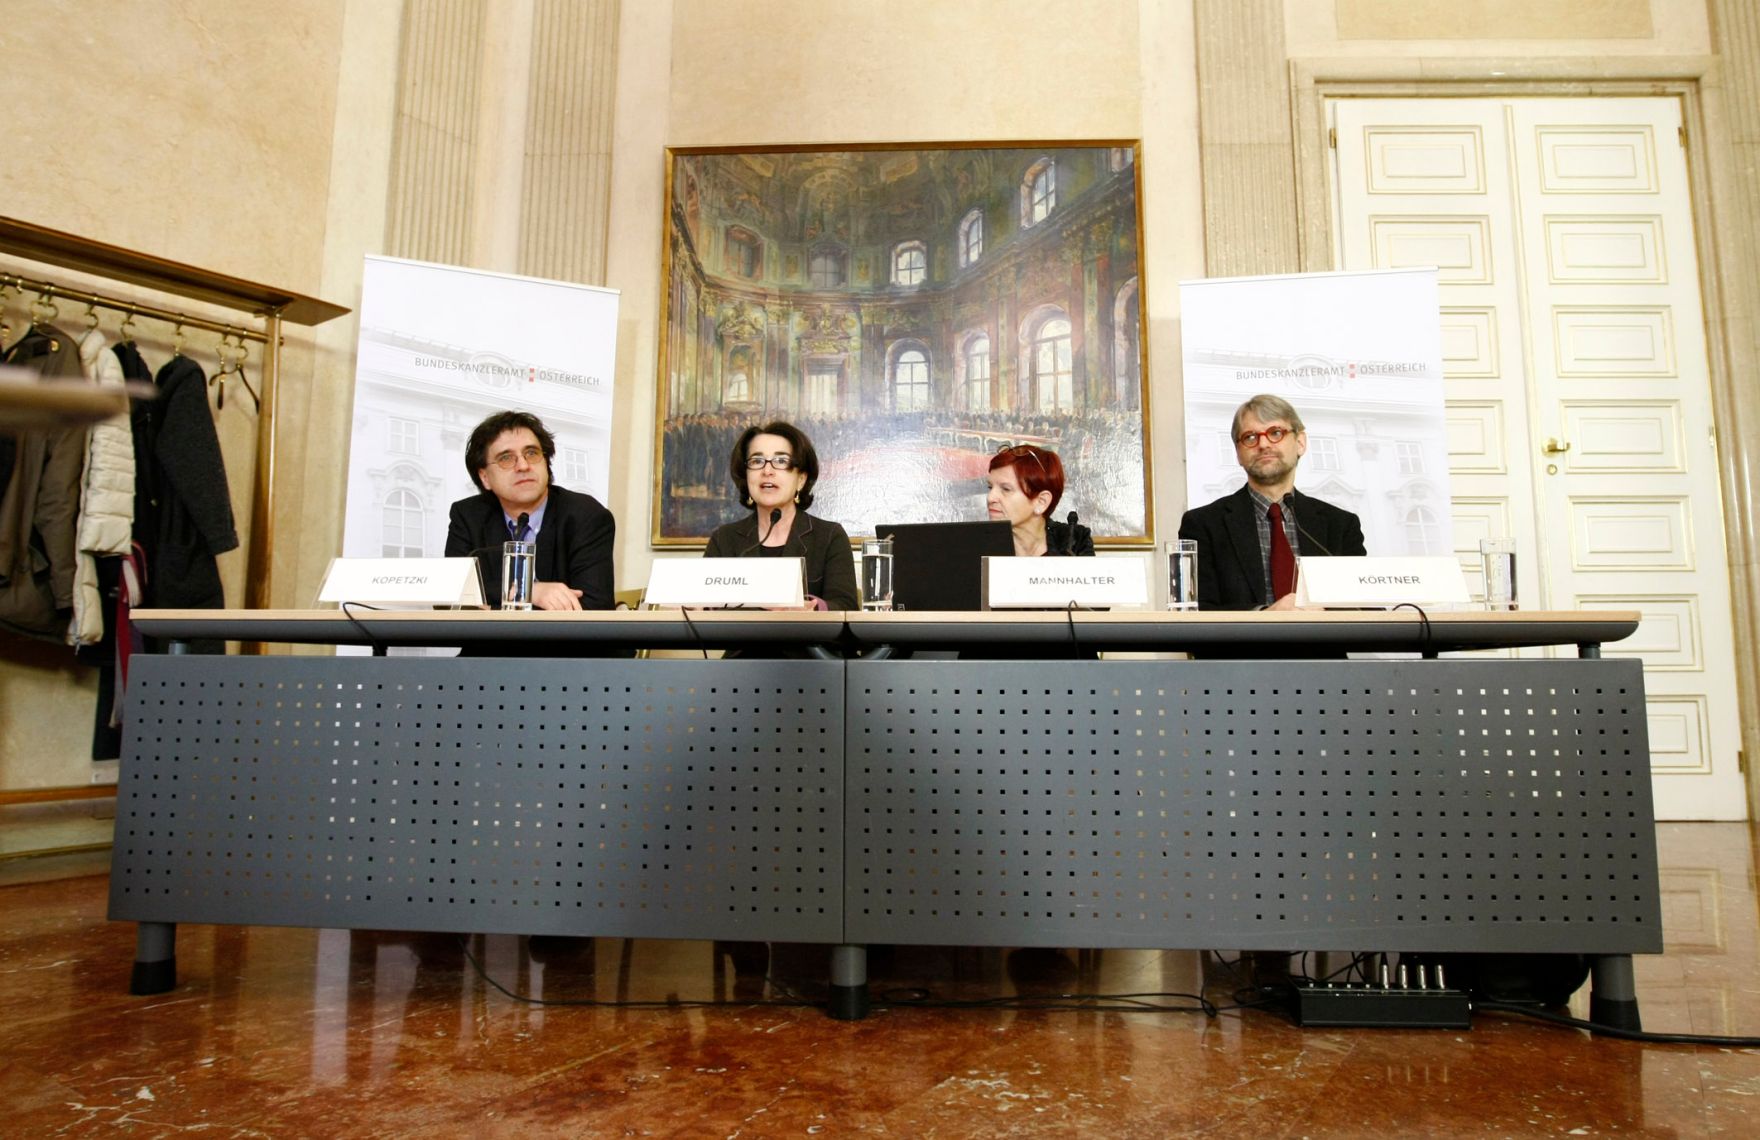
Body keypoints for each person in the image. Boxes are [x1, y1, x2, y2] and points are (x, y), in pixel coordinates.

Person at [1178, 394, 1365, 610]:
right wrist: (1265, 615)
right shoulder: (1203, 525)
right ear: (1238, 453)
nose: (1264, 444)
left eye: (1276, 433)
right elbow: (1197, 613)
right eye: (1250, 437)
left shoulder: (1340, 525)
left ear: (1300, 443)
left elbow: (1364, 609)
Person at [444, 410, 616, 610]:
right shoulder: (468, 515)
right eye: (506, 458)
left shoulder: (586, 516)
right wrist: (530, 592)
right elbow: (451, 593)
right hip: (490, 640)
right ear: (485, 478)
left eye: (532, 453)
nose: (523, 466)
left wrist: (495, 597)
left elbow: (595, 605)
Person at [703, 421, 859, 610]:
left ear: (800, 479)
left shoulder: (829, 536)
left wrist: (813, 609)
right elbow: (706, 607)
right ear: (746, 476)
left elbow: (846, 607)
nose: (767, 471)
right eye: (756, 461)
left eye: (781, 461)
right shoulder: (724, 539)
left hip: (807, 638)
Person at [986, 443, 1094, 557]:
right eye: (990, 487)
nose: (990, 498)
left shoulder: (1073, 541)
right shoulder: (976, 545)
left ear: (1041, 502)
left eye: (1006, 489)